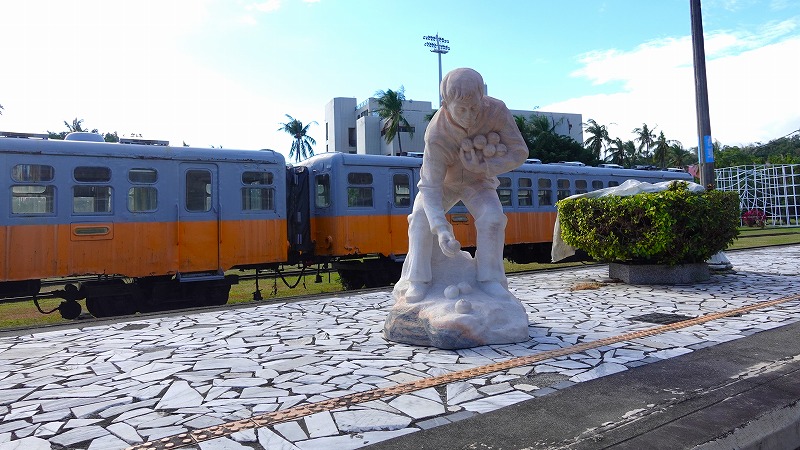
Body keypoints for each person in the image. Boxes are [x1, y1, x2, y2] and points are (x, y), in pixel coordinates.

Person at [401, 68, 528, 302]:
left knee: (493, 218)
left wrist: (485, 168)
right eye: (461, 109)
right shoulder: (436, 134)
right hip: (444, 185)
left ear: (483, 97)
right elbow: (430, 187)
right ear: (445, 103)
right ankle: (419, 281)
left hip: (478, 181)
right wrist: (440, 229)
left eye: (474, 108)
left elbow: (519, 152)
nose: (469, 116)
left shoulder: (497, 111)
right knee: (420, 217)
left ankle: (490, 280)